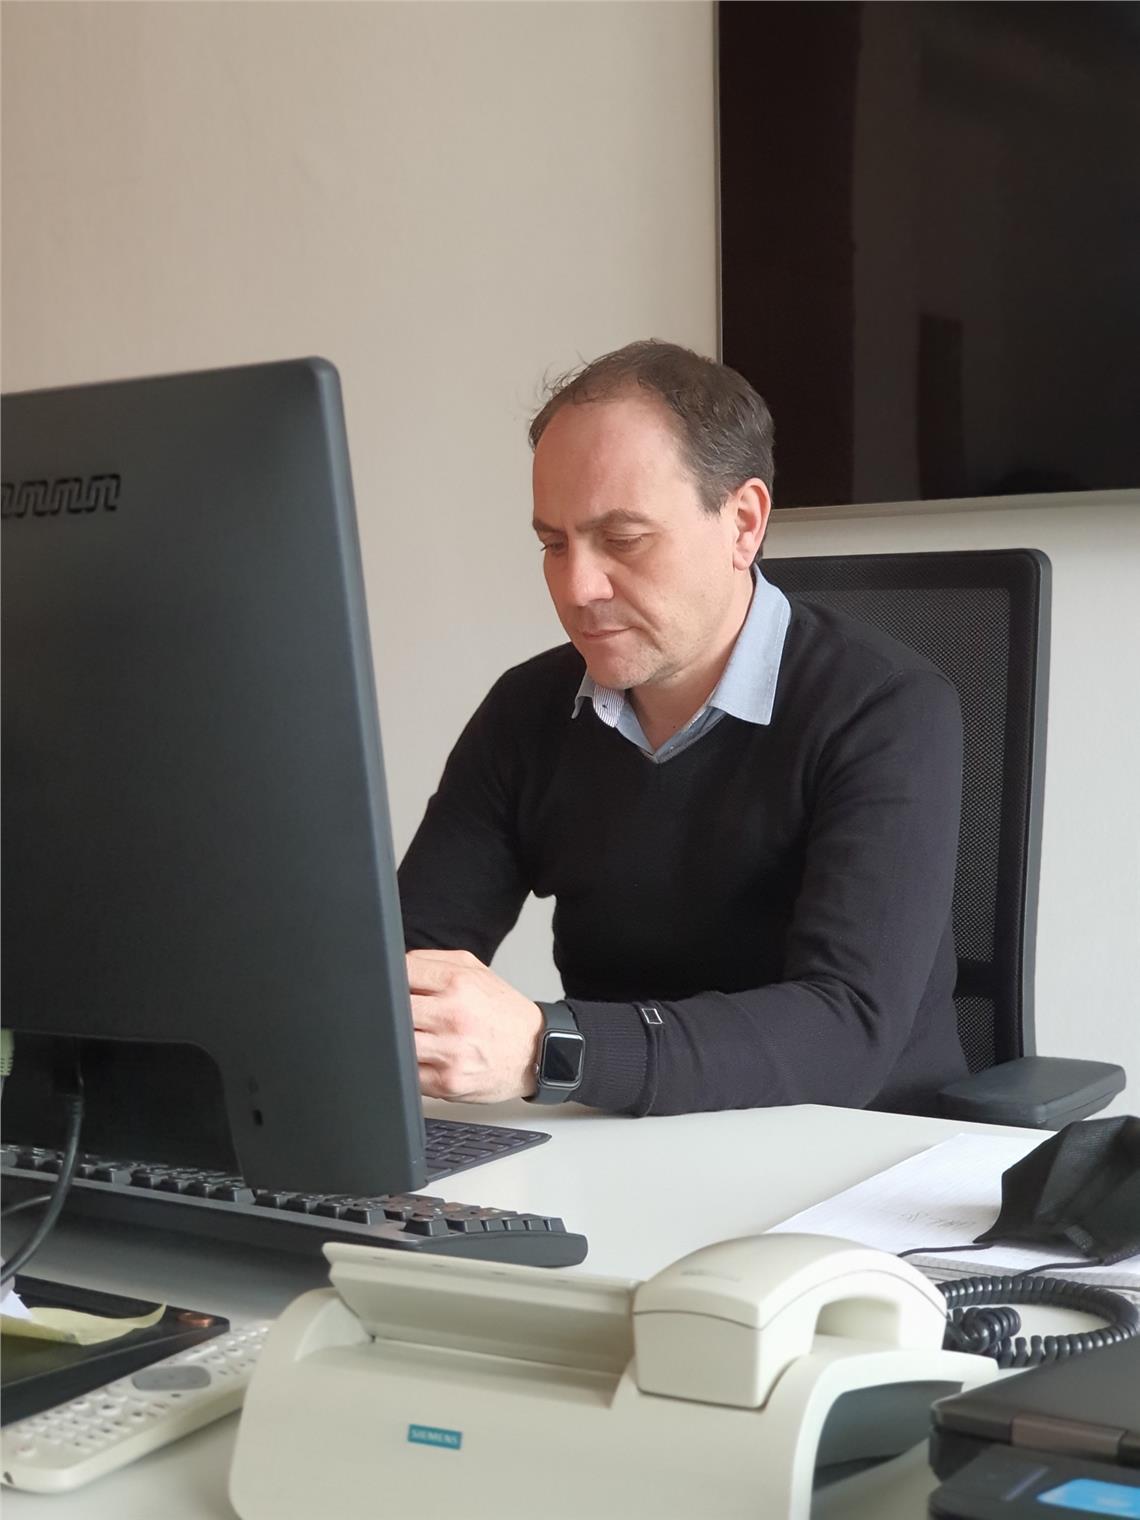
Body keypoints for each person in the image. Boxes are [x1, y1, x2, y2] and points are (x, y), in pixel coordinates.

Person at [399, 340, 968, 1116]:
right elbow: (409, 961)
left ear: (743, 523)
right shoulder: (527, 711)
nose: (577, 586)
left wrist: (549, 1048)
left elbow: (843, 1031)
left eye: (622, 539)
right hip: (617, 1136)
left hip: (851, 1148)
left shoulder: (886, 708)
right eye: (554, 544)